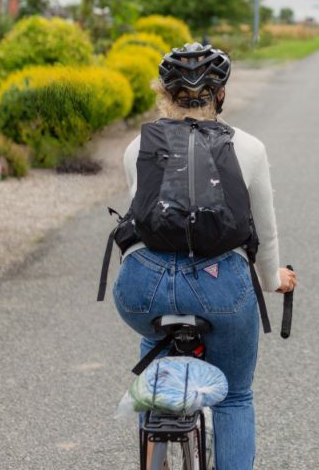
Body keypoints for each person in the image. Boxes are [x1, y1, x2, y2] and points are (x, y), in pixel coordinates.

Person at [112, 42, 297, 467]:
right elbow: (265, 236)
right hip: (221, 289)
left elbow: (141, 223)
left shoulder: (135, 147)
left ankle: (155, 440)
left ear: (163, 92)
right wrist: (273, 280)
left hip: (142, 289)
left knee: (155, 348)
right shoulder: (248, 148)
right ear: (221, 95)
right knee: (234, 396)